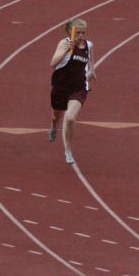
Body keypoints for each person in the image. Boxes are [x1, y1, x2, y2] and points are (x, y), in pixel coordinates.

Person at [48, 18, 96, 165]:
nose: (81, 35)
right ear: (71, 31)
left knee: (69, 118)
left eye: (84, 32)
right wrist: (64, 51)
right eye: (78, 32)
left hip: (79, 87)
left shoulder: (88, 45)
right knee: (57, 116)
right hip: (61, 86)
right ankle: (54, 126)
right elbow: (53, 63)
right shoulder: (65, 43)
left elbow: (90, 61)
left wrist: (92, 71)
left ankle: (68, 150)